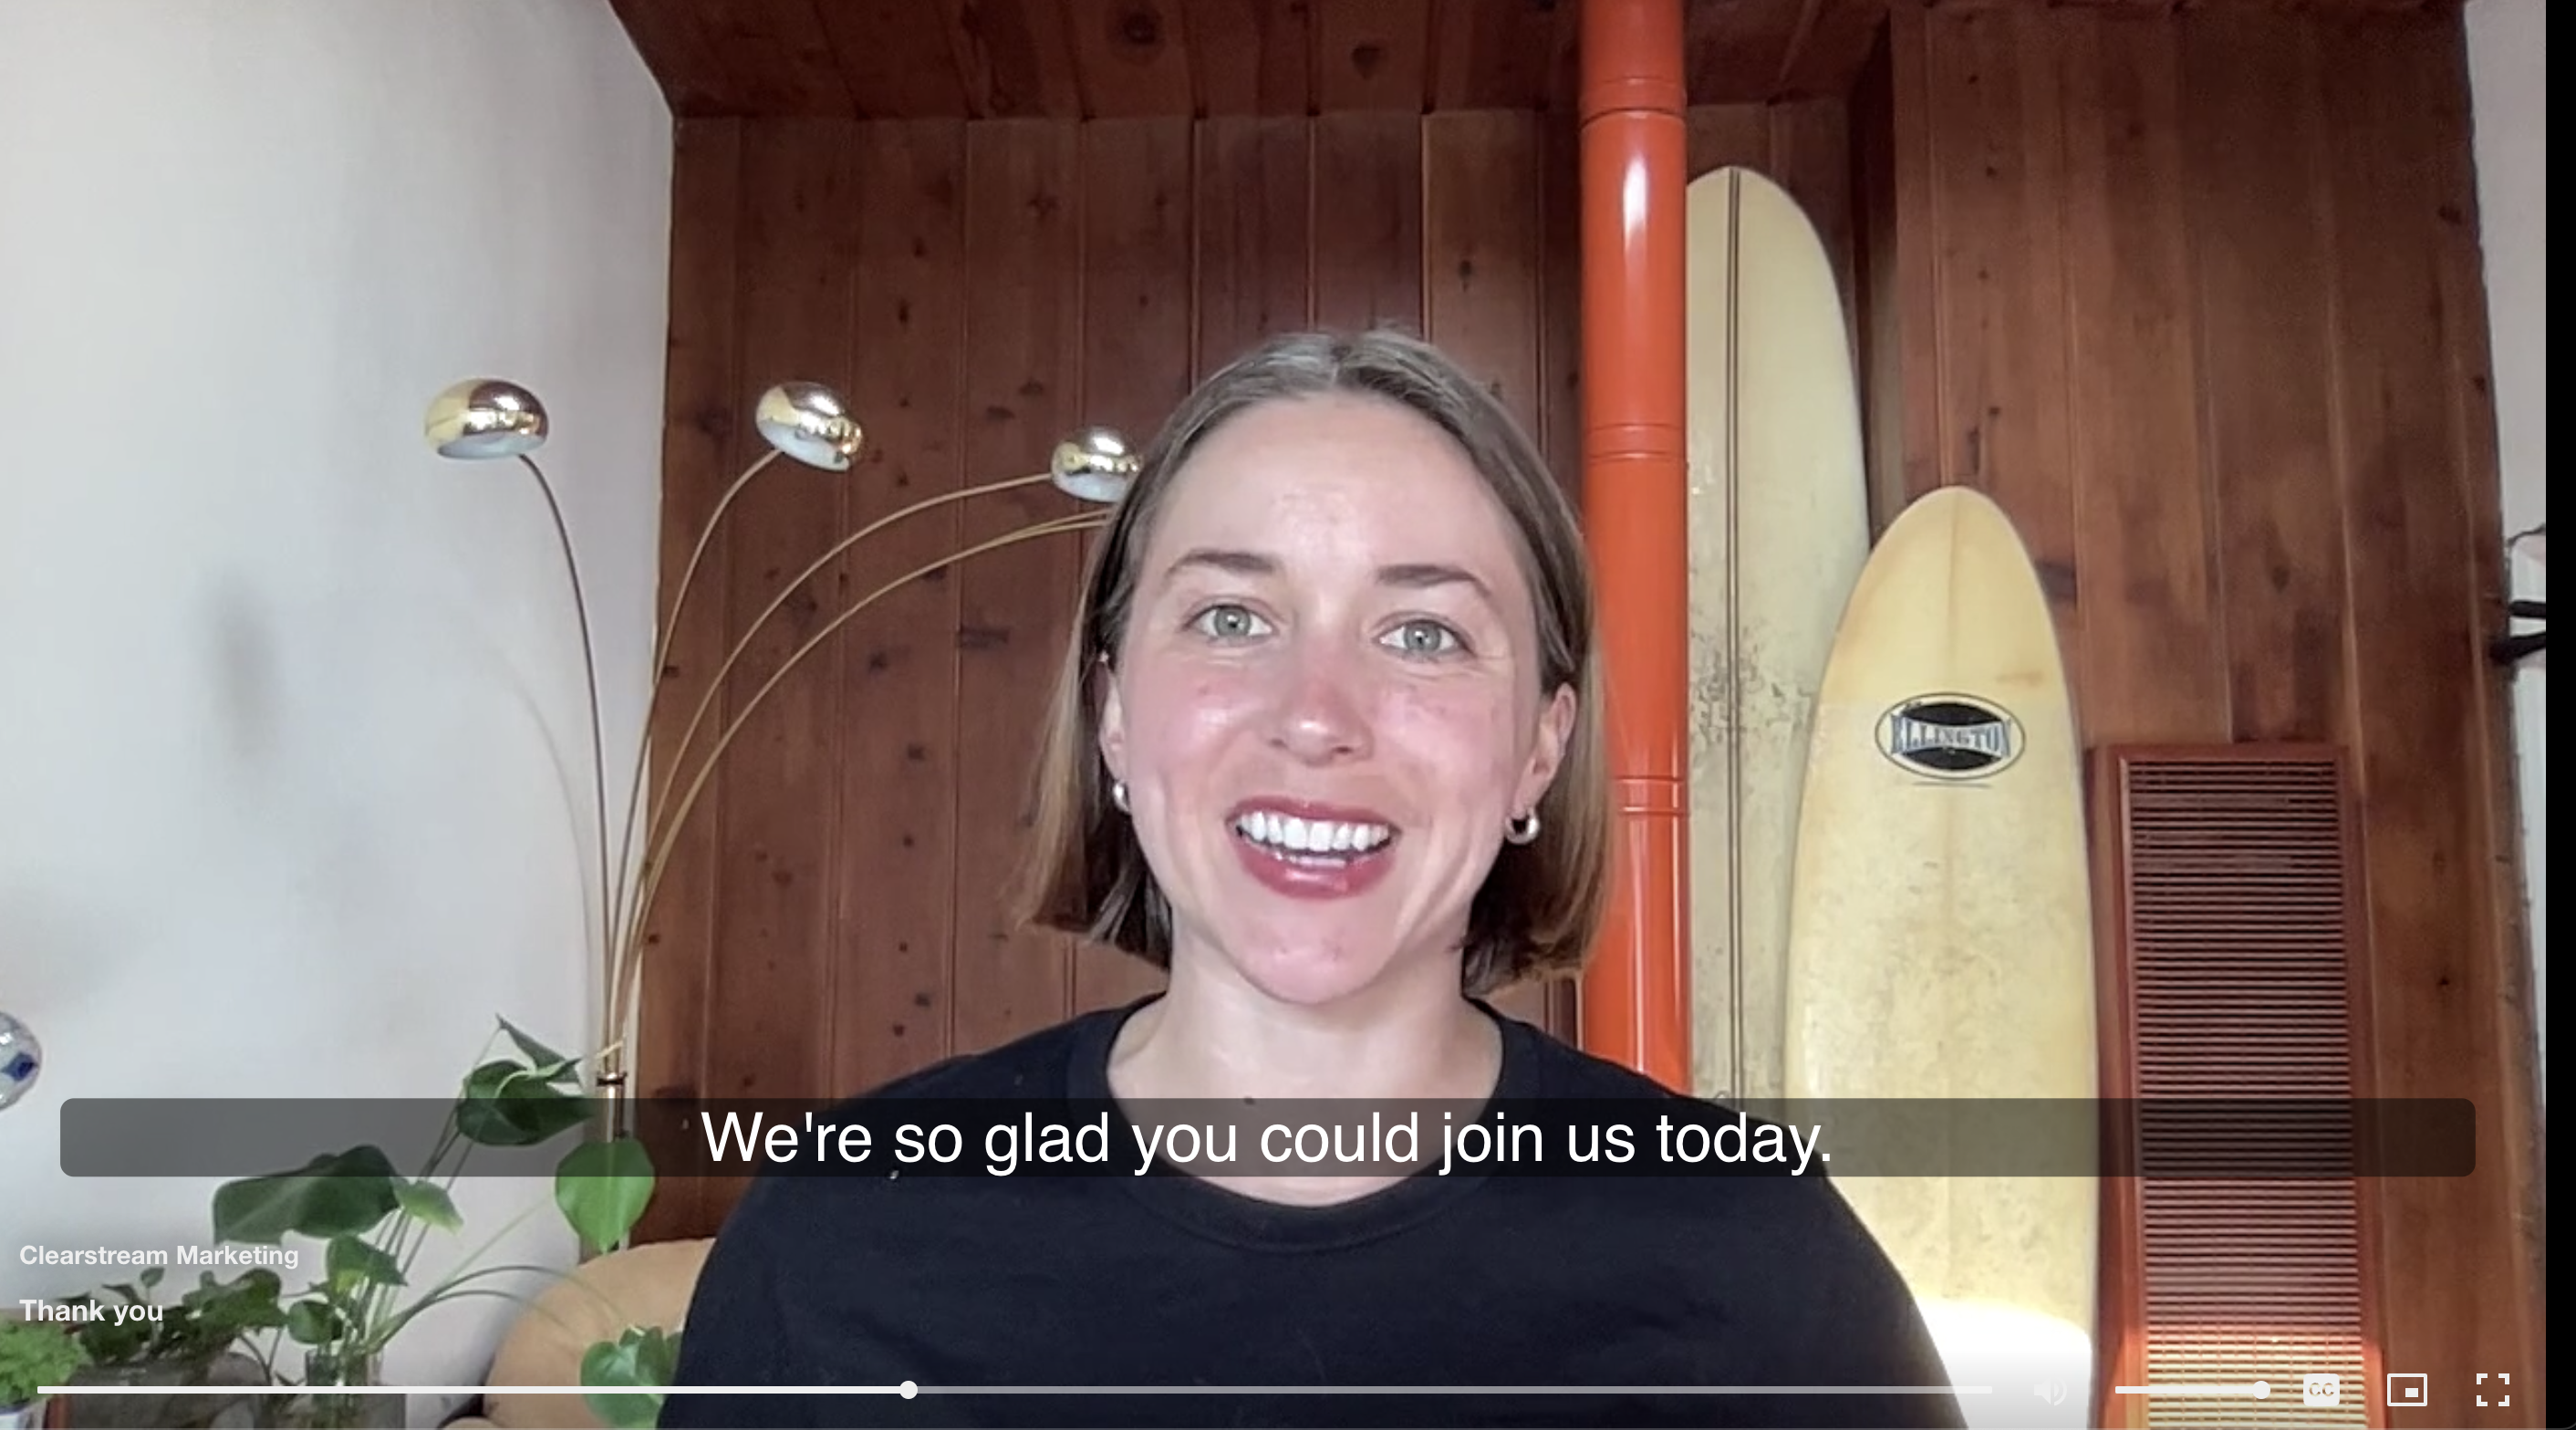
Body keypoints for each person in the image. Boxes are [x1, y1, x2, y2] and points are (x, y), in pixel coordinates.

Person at [659, 327, 1965, 1429]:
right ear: (1113, 712)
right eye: (1233, 617)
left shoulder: (1765, 1272)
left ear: (1539, 750)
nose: (1318, 713)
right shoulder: (843, 1234)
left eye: (1424, 633)